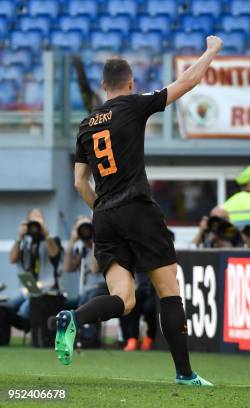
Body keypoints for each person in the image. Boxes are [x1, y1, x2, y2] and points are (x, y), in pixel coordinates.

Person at [56, 35, 223, 386]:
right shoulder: (133, 105)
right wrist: (211, 50)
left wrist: (101, 209)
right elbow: (189, 81)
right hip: (137, 208)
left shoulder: (86, 125)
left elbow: (78, 183)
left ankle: (73, 317)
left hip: (104, 216)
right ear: (130, 83)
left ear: (103, 86)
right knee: (168, 289)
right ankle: (184, 374)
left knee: (123, 299)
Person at [8, 208, 62, 321]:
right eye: (33, 218)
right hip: (28, 292)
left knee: (24, 310)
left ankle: (28, 327)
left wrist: (46, 234)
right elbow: (12, 259)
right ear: (27, 222)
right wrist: (19, 237)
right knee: (5, 308)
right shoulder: (25, 242)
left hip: (47, 293)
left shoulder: (52, 239)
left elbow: (54, 253)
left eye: (39, 218)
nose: (36, 221)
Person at [64, 216, 106, 307]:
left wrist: (95, 237)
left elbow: (95, 268)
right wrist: (72, 241)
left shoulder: (101, 246)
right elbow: (67, 268)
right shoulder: (80, 250)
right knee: (62, 306)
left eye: (88, 227)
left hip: (100, 290)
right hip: (85, 293)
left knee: (87, 303)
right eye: (82, 228)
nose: (85, 231)